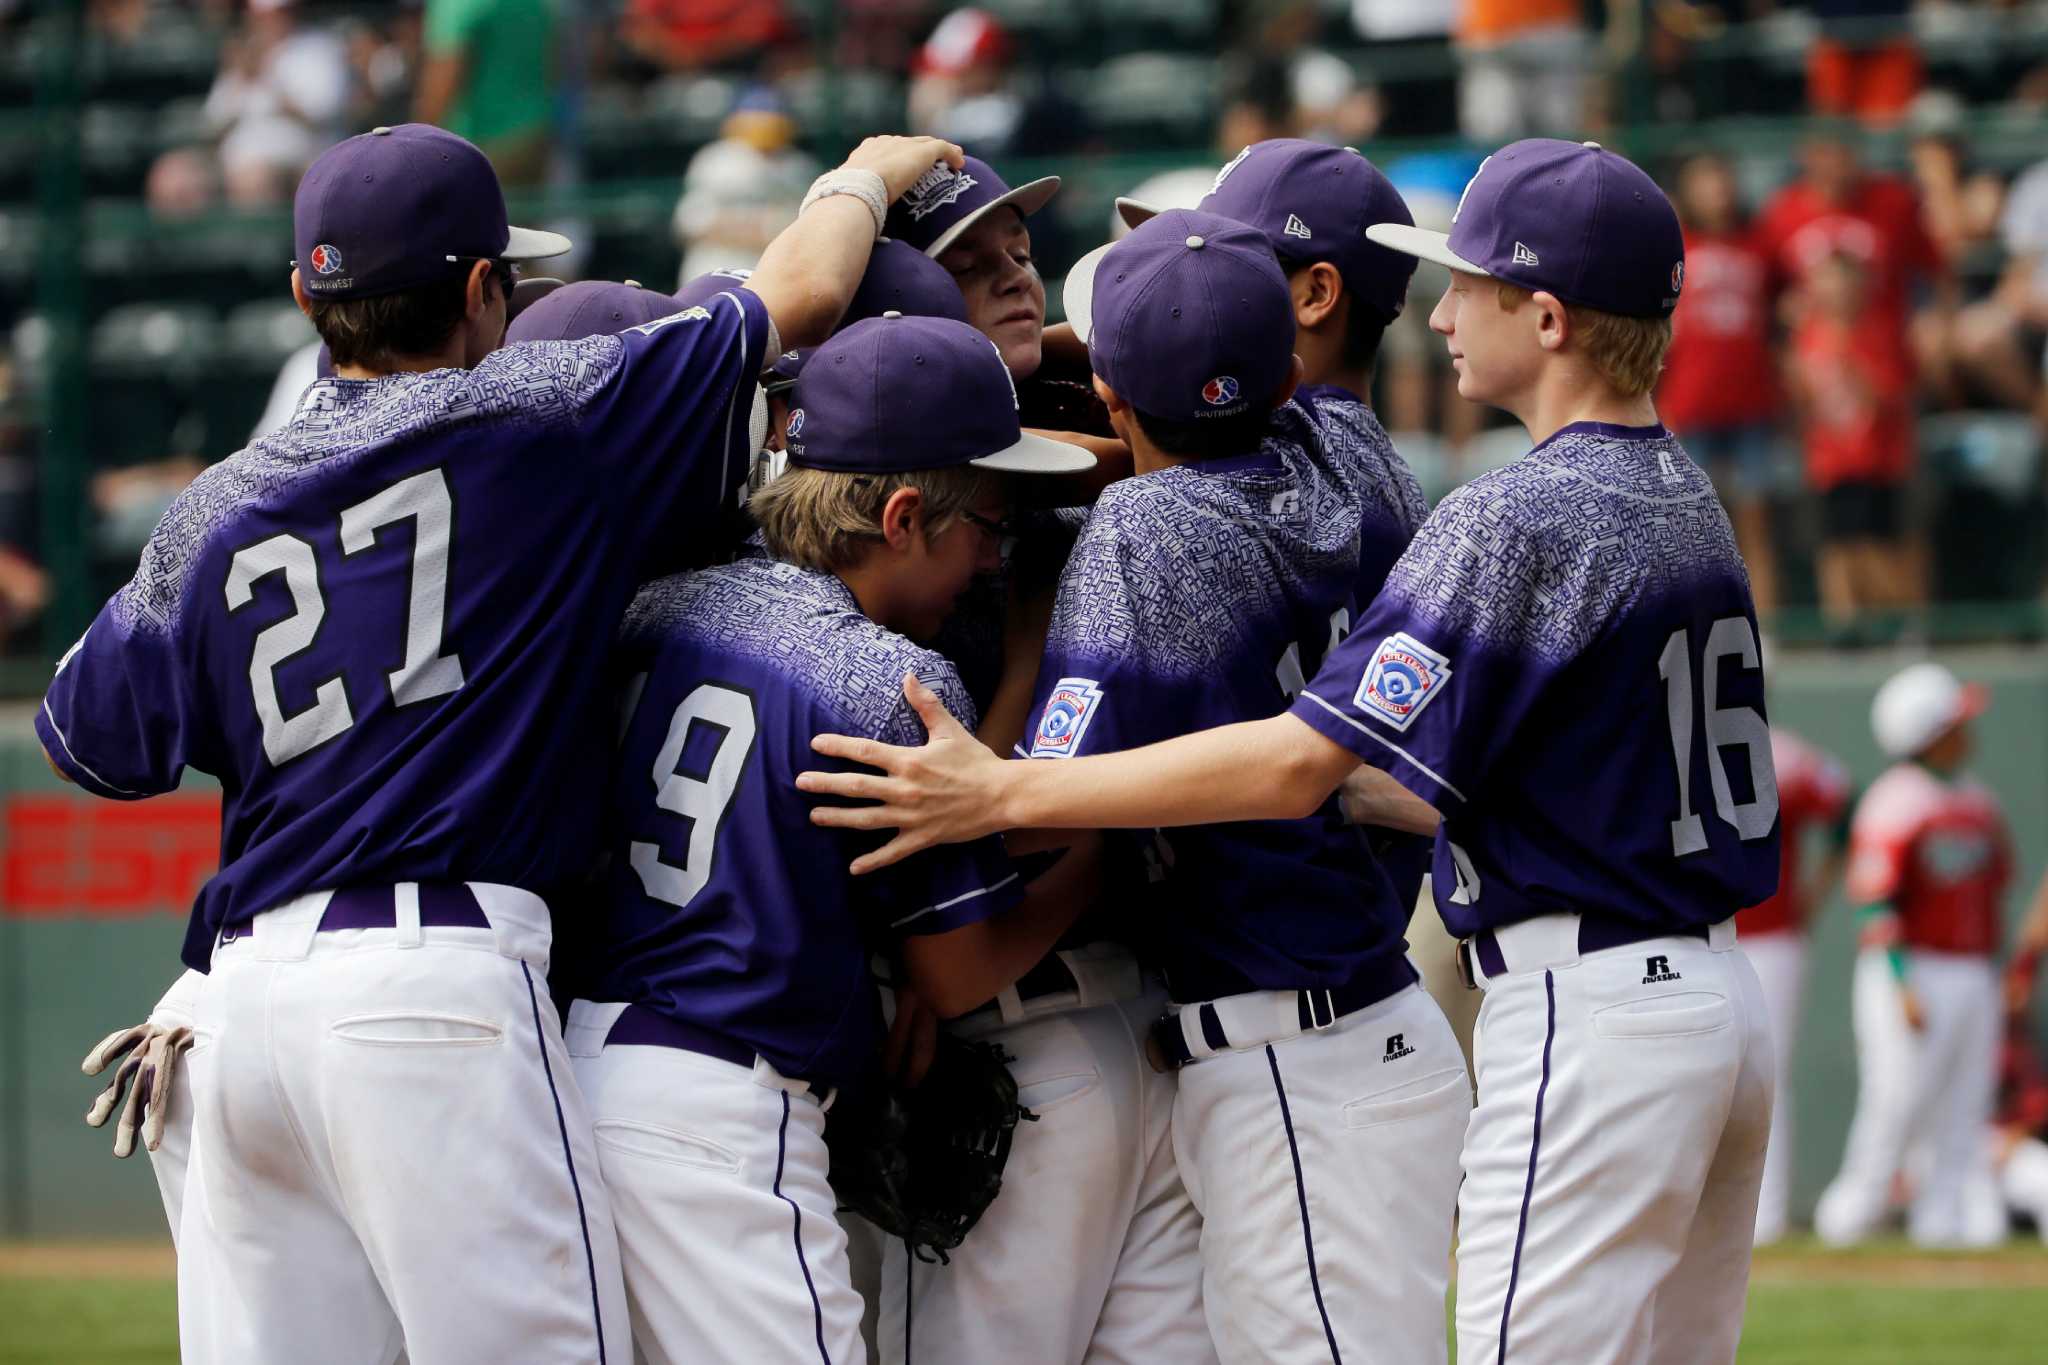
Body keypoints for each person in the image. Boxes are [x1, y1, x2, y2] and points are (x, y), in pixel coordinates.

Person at [799, 139, 1781, 1365]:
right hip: (1672, 994)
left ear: (1546, 314)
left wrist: (1001, 788)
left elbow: (1297, 763)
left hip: (1500, 1018)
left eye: (1466, 284)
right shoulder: (1437, 463)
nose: (1443, 309)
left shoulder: (1501, 510)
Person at [53, 122, 964, 1362]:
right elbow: (798, 288)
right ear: (486, 291)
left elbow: (94, 741)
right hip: (430, 993)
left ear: (302, 294)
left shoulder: (213, 503)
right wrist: (871, 168)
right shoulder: (541, 415)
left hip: (239, 1010)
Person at [561, 313, 1097, 1364]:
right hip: (720, 1105)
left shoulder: (651, 604)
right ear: (903, 517)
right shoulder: (890, 682)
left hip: (575, 1075)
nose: (992, 559)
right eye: (985, 526)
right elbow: (960, 975)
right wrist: (1108, 851)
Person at [1044, 206, 1467, 1362]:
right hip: (1353, 1017)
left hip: (1294, 1051)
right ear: (1287, 370)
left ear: (1112, 394)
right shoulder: (1349, 450)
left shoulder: (1141, 525)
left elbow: (1051, 799)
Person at [1816, 662, 2012, 1249]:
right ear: (1929, 734)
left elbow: (1997, 885)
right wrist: (1902, 983)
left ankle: (1943, 1220)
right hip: (1912, 968)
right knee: (1897, 1099)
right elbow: (1875, 905)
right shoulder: (1894, 802)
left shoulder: (1978, 800)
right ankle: (1851, 1214)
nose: (1968, 730)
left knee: (1965, 1103)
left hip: (1970, 968)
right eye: (1956, 721)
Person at [1660, 149, 1785, 614]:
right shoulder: (1676, 248)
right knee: (1695, 530)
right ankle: (1703, 622)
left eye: (1723, 177)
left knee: (1755, 521)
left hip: (1752, 402)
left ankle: (1765, 627)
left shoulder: (1760, 246)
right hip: (1693, 402)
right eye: (1705, 180)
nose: (1718, 190)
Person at [1742, 727, 1853, 1245]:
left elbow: (1846, 807)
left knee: (1765, 1073)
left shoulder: (1786, 755)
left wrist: (1815, 890)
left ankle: (1766, 1213)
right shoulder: (1789, 755)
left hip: (1767, 935)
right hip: (1695, 933)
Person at [1790, 248, 1916, 637]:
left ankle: (1899, 625)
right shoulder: (1807, 335)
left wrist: (1846, 359)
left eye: (1843, 281)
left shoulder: (1881, 332)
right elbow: (1802, 398)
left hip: (1877, 458)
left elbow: (1891, 394)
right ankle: (1842, 629)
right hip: (1829, 460)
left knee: (1877, 550)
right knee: (1835, 546)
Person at [671, 87, 822, 286]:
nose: (764, 129)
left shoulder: (799, 167)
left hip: (771, 277)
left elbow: (806, 229)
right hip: (713, 270)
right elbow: (690, 223)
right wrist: (757, 230)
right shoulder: (716, 159)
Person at [416, 0, 555, 185]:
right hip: (535, 136)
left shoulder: (455, 5)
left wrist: (414, 153)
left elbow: (442, 83)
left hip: (481, 149)